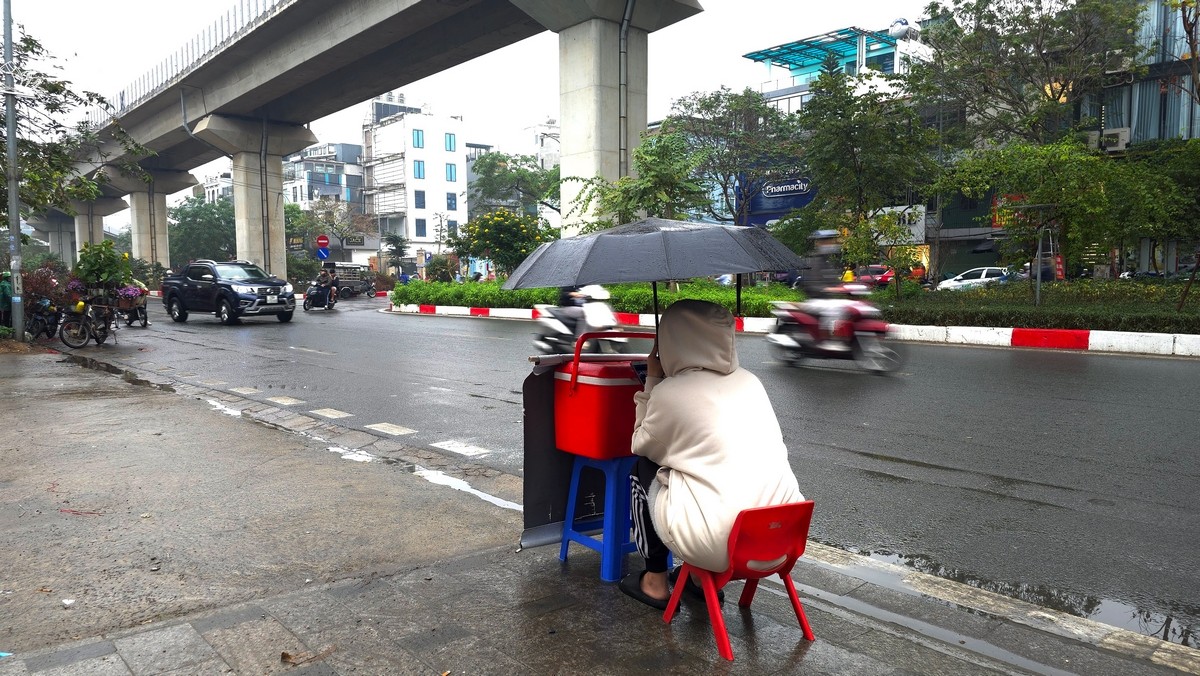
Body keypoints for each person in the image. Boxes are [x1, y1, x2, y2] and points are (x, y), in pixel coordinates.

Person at [620, 300, 804, 609]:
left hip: (720, 545)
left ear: (672, 340)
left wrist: (652, 379)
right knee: (705, 470)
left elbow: (640, 443)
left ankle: (654, 582)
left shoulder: (672, 393)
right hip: (782, 539)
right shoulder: (751, 382)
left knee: (646, 467)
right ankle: (694, 580)